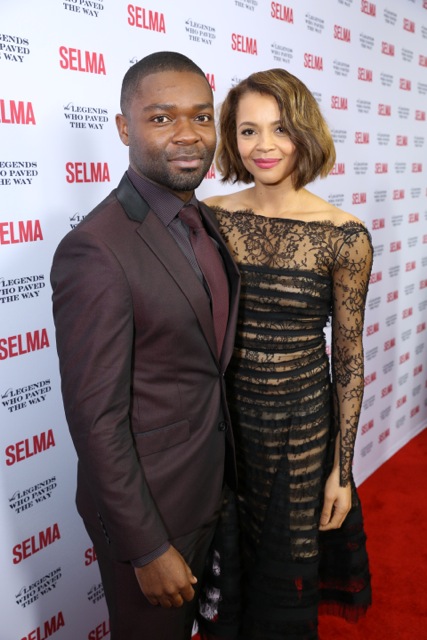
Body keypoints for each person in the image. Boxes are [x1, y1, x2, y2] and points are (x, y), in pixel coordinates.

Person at [50, 51, 240, 640]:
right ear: (125, 128)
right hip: (152, 517)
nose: (188, 134)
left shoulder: (202, 221)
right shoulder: (96, 250)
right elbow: (95, 417)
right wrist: (147, 547)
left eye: (201, 116)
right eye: (162, 118)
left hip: (213, 489)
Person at [197, 68, 373, 640]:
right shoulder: (210, 215)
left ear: (304, 133)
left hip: (300, 433)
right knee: (225, 576)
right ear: (232, 137)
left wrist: (341, 473)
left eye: (279, 129)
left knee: (280, 587)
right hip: (224, 427)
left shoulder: (344, 236)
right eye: (248, 131)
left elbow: (347, 360)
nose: (264, 146)